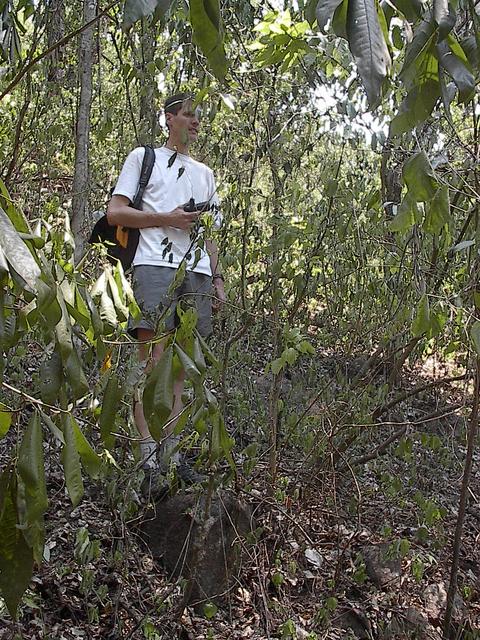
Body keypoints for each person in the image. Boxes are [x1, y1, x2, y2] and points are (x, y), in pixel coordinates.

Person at [106, 93, 225, 480]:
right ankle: (145, 456)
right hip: (154, 265)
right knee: (151, 364)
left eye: (198, 116)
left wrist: (219, 279)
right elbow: (116, 211)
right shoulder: (145, 158)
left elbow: (210, 233)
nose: (195, 122)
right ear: (170, 118)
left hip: (197, 273)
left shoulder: (205, 174)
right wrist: (166, 219)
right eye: (188, 115)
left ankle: (170, 456)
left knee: (180, 369)